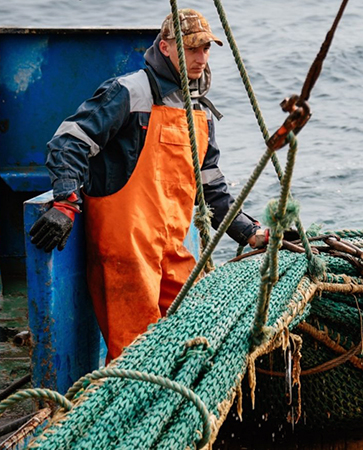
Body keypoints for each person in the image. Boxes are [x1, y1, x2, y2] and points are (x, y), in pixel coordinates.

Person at [29, 9, 269, 362]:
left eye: (206, 49)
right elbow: (69, 143)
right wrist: (66, 202)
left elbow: (211, 188)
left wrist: (251, 232)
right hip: (127, 253)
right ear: (167, 47)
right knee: (135, 354)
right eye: (192, 48)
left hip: (172, 249)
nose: (200, 58)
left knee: (200, 331)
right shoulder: (128, 92)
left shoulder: (198, 110)